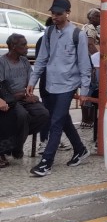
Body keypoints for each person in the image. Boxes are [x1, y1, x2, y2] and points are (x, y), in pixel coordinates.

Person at [27, 0, 92, 177]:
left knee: (56, 122)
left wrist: (84, 91)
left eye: (58, 14)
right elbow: (41, 60)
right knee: (63, 119)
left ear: (67, 13)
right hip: (50, 84)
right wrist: (32, 81)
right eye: (52, 13)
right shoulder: (48, 33)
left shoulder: (77, 35)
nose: (54, 17)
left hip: (68, 84)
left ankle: (46, 163)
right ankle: (80, 150)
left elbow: (84, 65)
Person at [0, 33, 49, 160]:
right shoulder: (2, 62)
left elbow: (29, 81)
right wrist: (20, 95)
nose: (27, 47)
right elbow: (3, 88)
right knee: (22, 116)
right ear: (13, 46)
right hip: (10, 100)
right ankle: (17, 147)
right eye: (23, 45)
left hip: (23, 97)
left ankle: (17, 142)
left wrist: (29, 94)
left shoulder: (24, 61)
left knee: (43, 113)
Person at [34, 17, 72, 155]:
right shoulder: (44, 41)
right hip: (48, 83)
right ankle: (44, 141)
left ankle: (55, 140)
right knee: (49, 113)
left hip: (60, 84)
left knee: (60, 114)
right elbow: (41, 62)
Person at [80, 8, 100, 128]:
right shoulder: (91, 29)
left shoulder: (85, 27)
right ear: (91, 18)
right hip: (89, 62)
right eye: (98, 16)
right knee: (91, 88)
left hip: (84, 61)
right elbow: (90, 44)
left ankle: (86, 119)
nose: (100, 18)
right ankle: (88, 120)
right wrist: (97, 59)